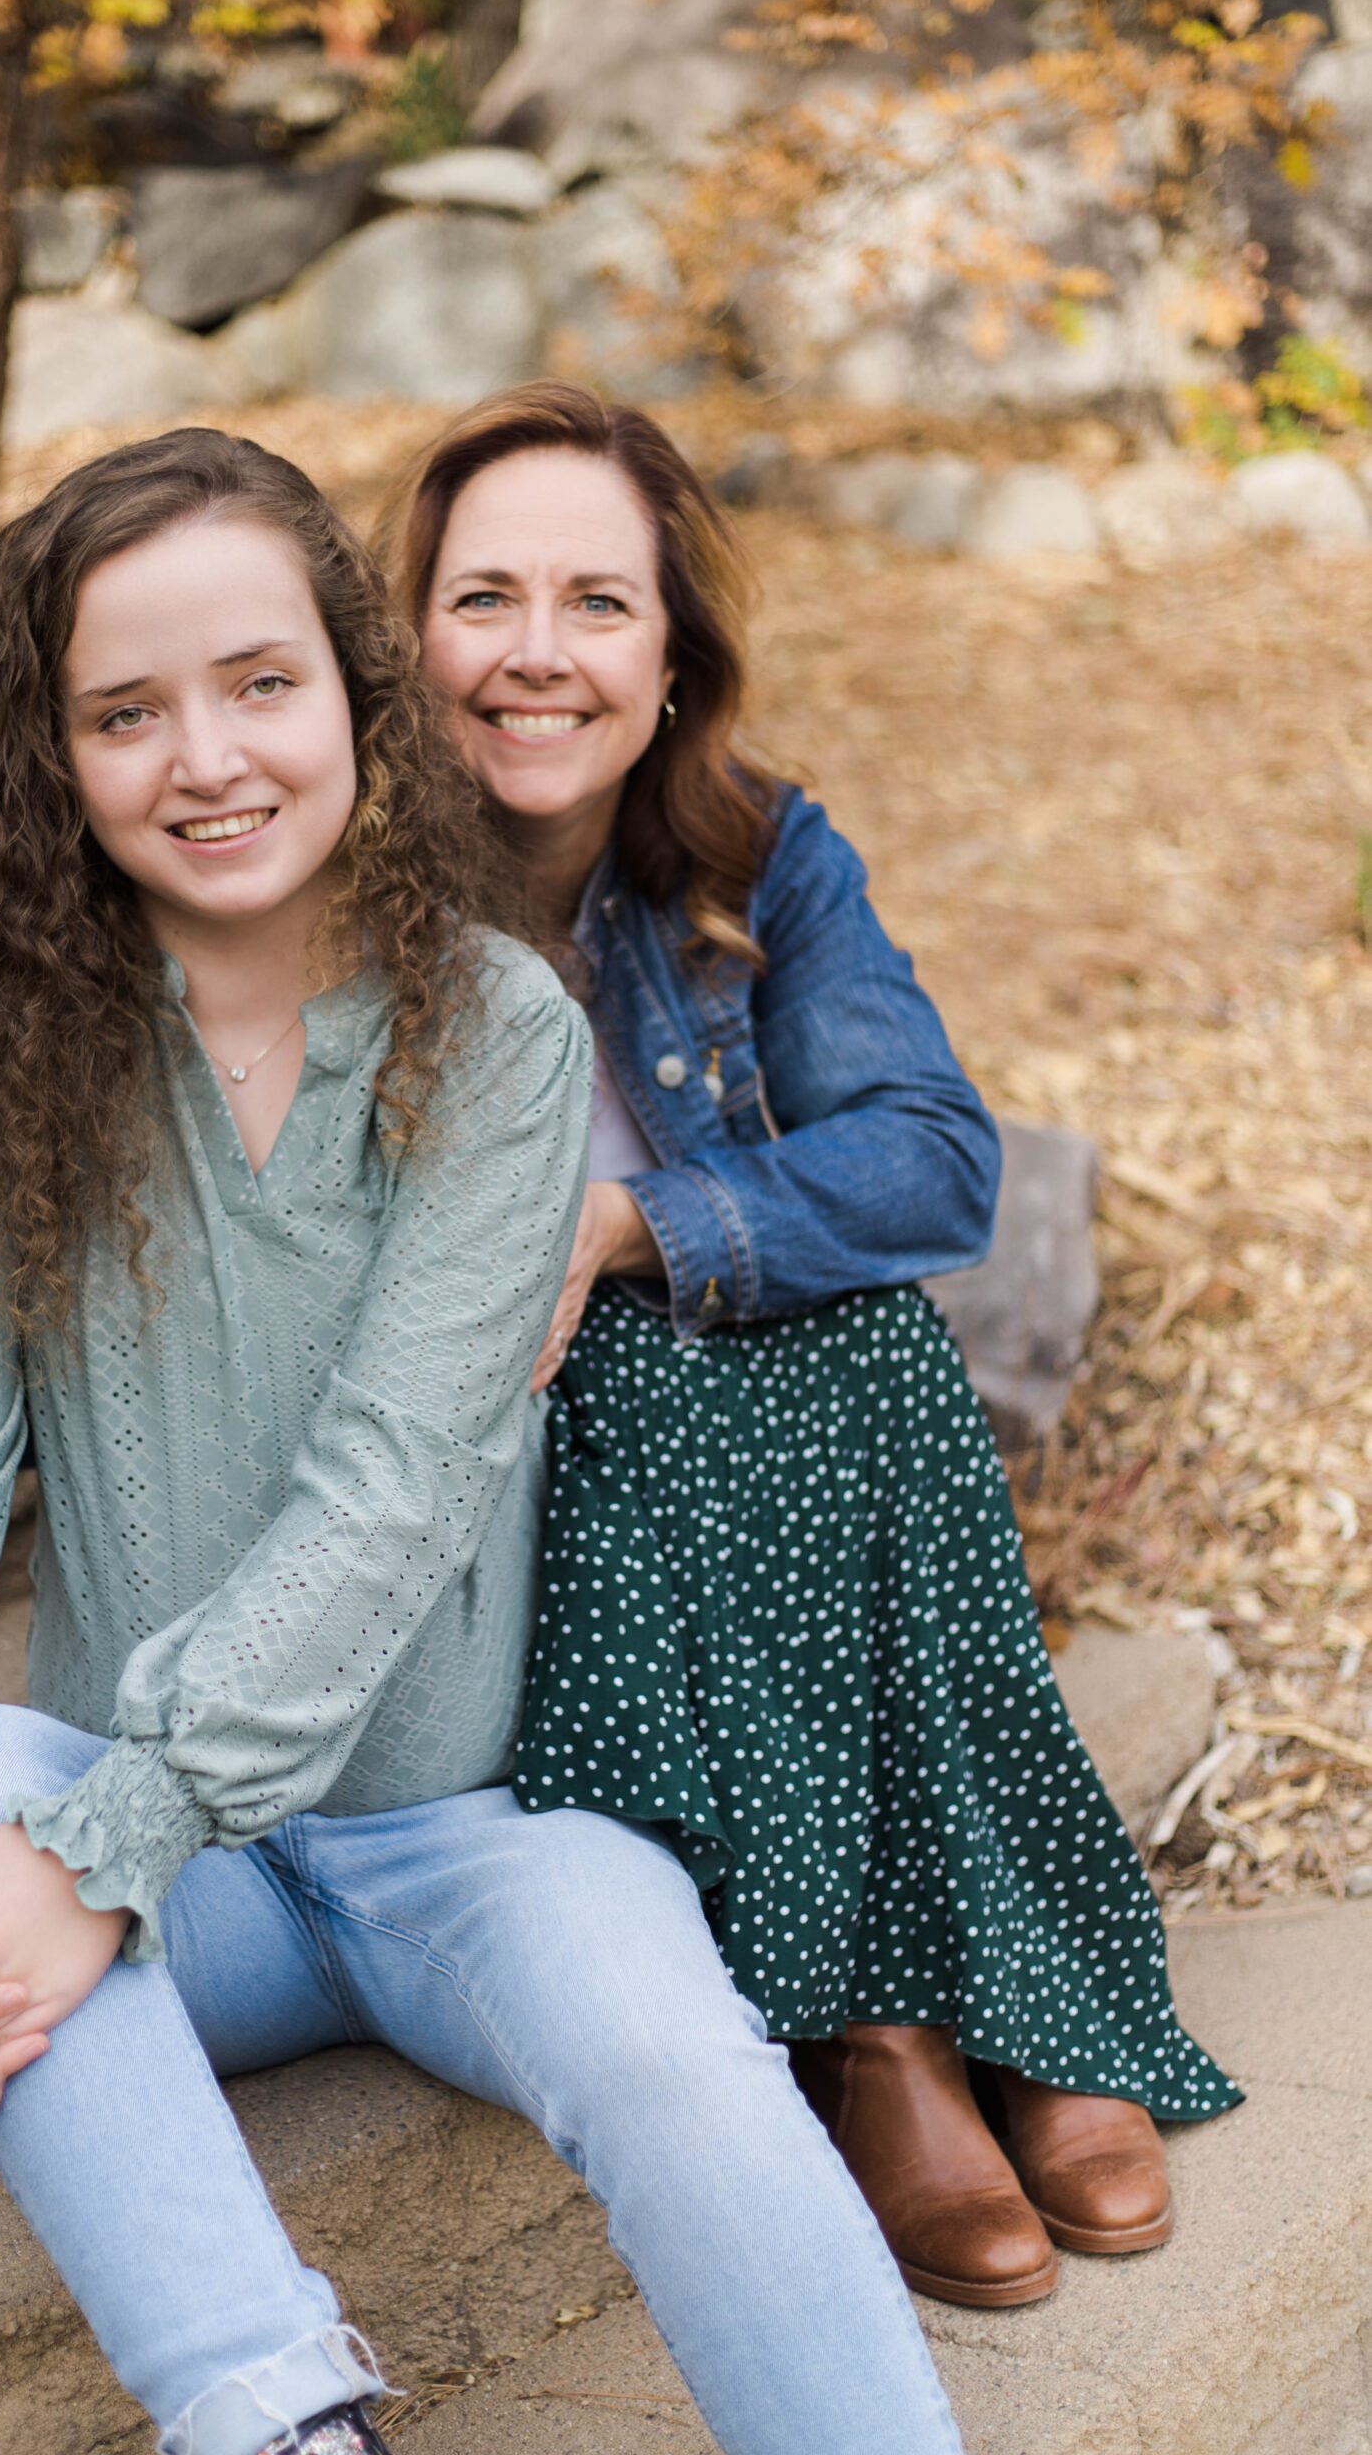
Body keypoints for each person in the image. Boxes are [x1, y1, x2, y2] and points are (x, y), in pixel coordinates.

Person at [0, 428, 965, 2455]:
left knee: (675, 2050)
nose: (204, 757)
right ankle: (285, 2422)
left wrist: (95, 1845)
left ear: (353, 697)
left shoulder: (493, 1033)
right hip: (171, 1885)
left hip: (463, 1833)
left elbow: (392, 1490)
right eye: (124, 714)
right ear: (54, 759)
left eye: (258, 685)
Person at [379, 382, 1241, 2311]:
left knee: (864, 1346)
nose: (537, 653)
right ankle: (887, 2029)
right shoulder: (331, 880)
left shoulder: (753, 855)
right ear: (403, 637)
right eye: (483, 598)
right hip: (508, 1438)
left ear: (673, 655)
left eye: (598, 603)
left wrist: (633, 1219)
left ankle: (970, 2009)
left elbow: (937, 1158)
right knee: (735, 1383)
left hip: (716, 1365)